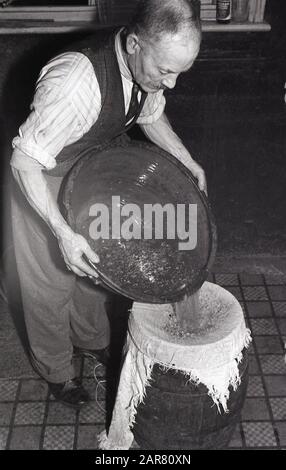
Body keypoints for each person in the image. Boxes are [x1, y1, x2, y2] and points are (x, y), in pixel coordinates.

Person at [10, 0, 206, 409]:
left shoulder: (143, 69)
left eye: (180, 72)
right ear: (135, 43)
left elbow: (149, 114)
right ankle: (58, 373)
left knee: (97, 266)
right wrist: (62, 233)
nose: (171, 83)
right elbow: (24, 161)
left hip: (91, 178)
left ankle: (91, 342)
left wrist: (187, 159)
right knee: (49, 286)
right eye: (165, 71)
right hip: (41, 183)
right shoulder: (74, 84)